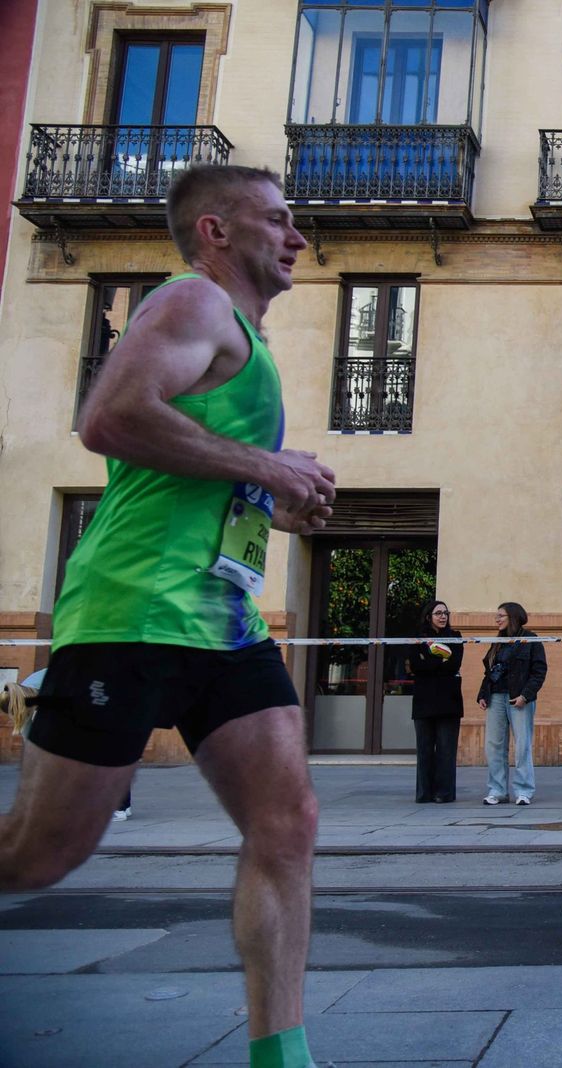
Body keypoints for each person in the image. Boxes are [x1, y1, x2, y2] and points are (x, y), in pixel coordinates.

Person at [0, 165, 332, 1068]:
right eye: (278, 220)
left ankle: (281, 1056)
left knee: (287, 821)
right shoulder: (191, 303)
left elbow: (197, 464)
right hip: (133, 614)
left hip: (224, 622)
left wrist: (279, 490)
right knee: (38, 858)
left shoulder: (244, 341)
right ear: (218, 231)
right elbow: (107, 419)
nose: (298, 237)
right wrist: (267, 470)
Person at [476, 602, 546, 806]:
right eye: (496, 616)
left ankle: (524, 790)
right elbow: (489, 671)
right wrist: (482, 693)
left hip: (519, 699)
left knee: (522, 745)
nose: (497, 619)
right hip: (495, 696)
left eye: (501, 616)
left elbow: (539, 671)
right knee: (494, 746)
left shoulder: (531, 640)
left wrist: (526, 695)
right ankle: (497, 790)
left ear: (513, 617)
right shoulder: (498, 642)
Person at [409, 601, 464, 803]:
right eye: (438, 613)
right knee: (424, 749)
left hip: (449, 700)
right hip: (424, 700)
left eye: (446, 613)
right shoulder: (417, 639)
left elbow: (454, 664)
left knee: (446, 750)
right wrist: (440, 660)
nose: (443, 617)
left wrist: (429, 659)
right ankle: (424, 793)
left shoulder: (456, 637)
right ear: (428, 616)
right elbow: (416, 666)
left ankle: (444, 793)